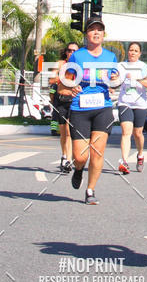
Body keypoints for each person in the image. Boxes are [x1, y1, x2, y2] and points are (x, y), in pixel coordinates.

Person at [59, 17, 118, 204]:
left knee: (98, 152)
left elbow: (115, 79)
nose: (96, 33)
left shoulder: (111, 57)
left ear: (103, 34)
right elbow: (63, 84)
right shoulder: (78, 56)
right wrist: (70, 89)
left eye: (99, 30)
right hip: (80, 108)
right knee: (80, 155)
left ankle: (90, 190)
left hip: (103, 107)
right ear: (86, 34)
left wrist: (113, 84)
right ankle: (78, 169)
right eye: (92, 29)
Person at [117, 42, 147, 173]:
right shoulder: (121, 66)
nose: (132, 52)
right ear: (127, 52)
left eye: (135, 50)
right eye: (131, 50)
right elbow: (115, 81)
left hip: (140, 103)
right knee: (126, 132)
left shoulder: (143, 67)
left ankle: (140, 155)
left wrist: (137, 78)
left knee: (137, 133)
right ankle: (124, 161)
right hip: (125, 102)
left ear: (139, 53)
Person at [48, 42, 78, 172]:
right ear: (66, 52)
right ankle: (64, 155)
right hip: (61, 99)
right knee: (63, 132)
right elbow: (51, 79)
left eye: (74, 51)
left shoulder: (79, 65)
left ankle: (68, 160)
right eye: (69, 50)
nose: (71, 53)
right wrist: (62, 77)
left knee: (69, 131)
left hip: (73, 100)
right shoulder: (60, 64)